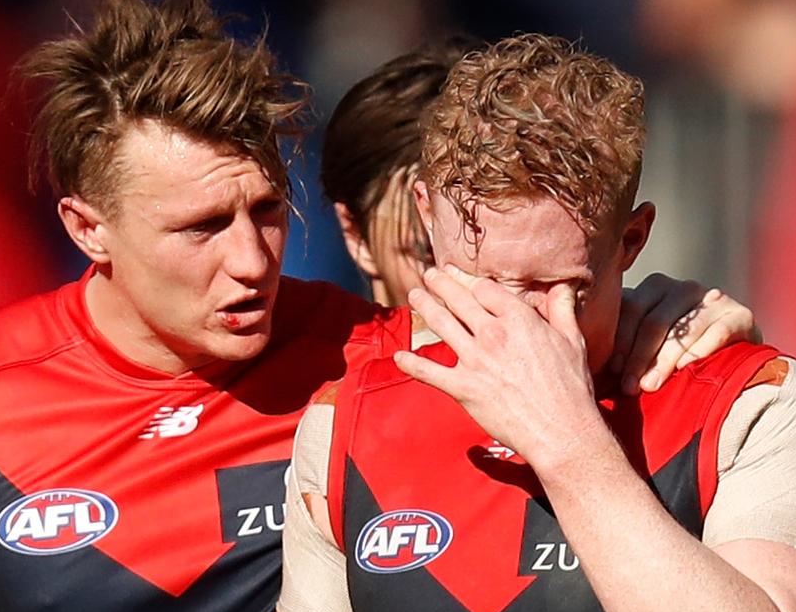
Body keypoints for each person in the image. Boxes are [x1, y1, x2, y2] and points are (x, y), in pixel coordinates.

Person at [0, 0, 762, 612]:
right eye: (200, 229)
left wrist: (669, 313)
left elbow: (566, 336)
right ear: (87, 229)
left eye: (263, 209)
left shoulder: (371, 356)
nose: (251, 260)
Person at [264, 34, 796, 612]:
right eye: (481, 280)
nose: (519, 329)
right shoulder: (349, 423)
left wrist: (569, 443)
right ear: (427, 217)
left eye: (557, 288)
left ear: (631, 241)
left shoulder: (751, 405)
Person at [321, 38, 755, 395]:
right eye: (433, 256)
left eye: (550, 282)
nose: (514, 315)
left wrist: (726, 354)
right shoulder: (319, 401)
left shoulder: (652, 357)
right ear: (356, 236)